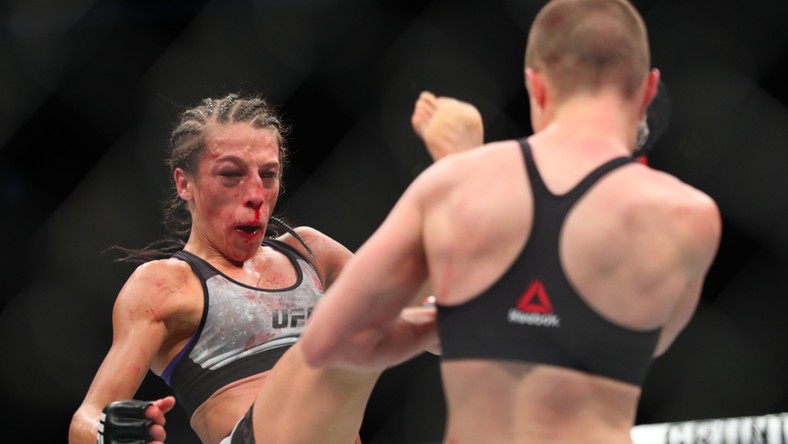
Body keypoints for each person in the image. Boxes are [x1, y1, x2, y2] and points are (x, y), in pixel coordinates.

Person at [300, 0, 722, 443]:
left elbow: (328, 340)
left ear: (535, 85)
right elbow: (643, 342)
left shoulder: (452, 184)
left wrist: (461, 318)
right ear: (649, 90)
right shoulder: (689, 217)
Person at [68, 92, 481, 444]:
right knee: (345, 330)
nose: (255, 195)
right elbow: (85, 418)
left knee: (439, 319)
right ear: (184, 184)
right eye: (231, 175)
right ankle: (451, 185)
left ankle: (467, 196)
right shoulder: (166, 284)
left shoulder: (312, 252)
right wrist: (105, 431)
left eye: (268, 175)